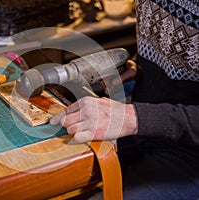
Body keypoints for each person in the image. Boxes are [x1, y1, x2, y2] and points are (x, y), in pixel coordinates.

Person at [50, 0, 199, 199]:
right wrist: (140, 67)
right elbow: (175, 41)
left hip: (189, 153)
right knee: (50, 169)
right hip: (147, 126)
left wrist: (133, 118)